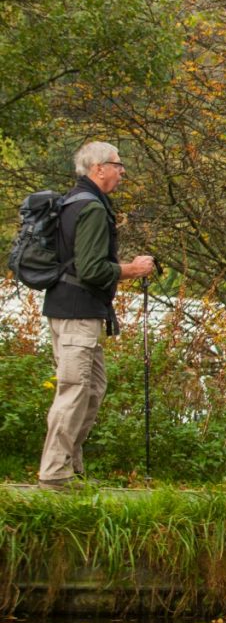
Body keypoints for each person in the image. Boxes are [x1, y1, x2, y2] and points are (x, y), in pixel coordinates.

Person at [37, 141, 156, 490]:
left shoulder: (74, 201)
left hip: (73, 309)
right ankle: (55, 473)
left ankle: (70, 467)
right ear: (98, 168)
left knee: (92, 389)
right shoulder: (89, 208)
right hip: (77, 312)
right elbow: (89, 269)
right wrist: (131, 269)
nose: (122, 172)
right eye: (118, 165)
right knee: (74, 390)